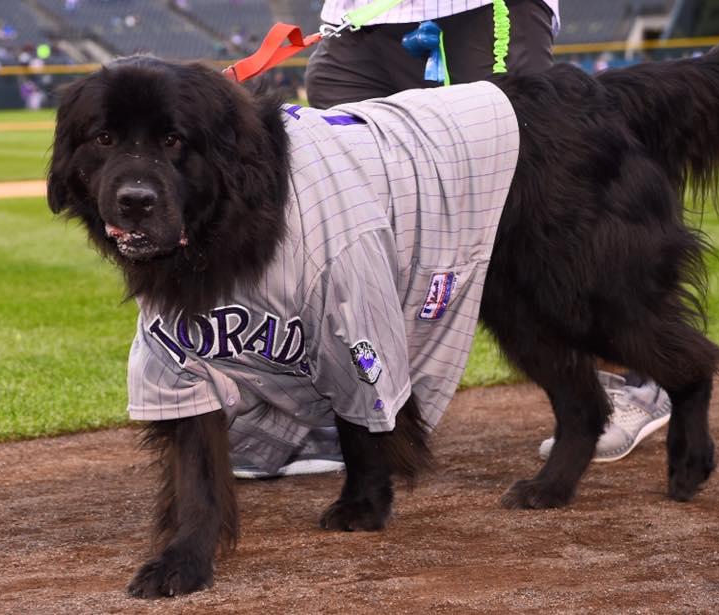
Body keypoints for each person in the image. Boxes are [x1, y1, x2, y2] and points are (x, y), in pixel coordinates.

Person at [232, 0, 671, 478]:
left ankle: (627, 375)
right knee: (357, 218)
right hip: (358, 22)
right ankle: (367, 409)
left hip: (478, 9)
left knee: (533, 207)